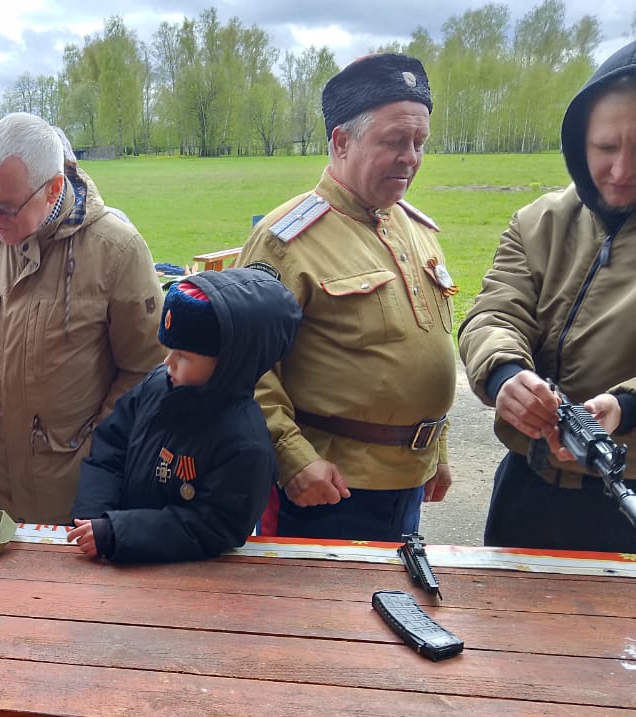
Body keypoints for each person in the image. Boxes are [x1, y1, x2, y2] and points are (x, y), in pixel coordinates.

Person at [236, 54, 456, 542]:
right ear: (341, 142)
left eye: (419, 143)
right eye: (394, 141)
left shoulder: (415, 228)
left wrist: (436, 449)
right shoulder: (285, 240)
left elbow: (427, 351)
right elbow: (245, 368)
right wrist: (292, 459)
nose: (411, 157)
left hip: (408, 481)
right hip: (326, 488)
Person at [0, 111, 165, 524]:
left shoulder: (116, 250)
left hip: (82, 498)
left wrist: (94, 451)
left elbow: (145, 370)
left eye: (6, 207)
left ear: (54, 188)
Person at [458, 40, 636, 553]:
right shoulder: (539, 221)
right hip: (526, 488)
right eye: (606, 147)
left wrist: (625, 407)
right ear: (580, 143)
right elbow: (494, 313)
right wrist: (507, 375)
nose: (621, 170)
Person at [68, 269, 301, 563]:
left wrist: (119, 531)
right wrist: (94, 514)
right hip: (114, 552)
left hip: (186, 577)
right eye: (170, 349)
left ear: (230, 362)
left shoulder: (245, 444)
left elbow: (212, 526)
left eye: (184, 356)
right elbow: (109, 449)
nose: (168, 362)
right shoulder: (157, 386)